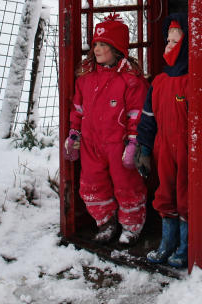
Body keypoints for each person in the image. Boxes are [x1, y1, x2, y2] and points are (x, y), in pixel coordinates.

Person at [63, 14, 148, 245]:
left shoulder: (130, 80)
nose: (97, 49)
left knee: (126, 184)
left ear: (117, 48)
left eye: (103, 44)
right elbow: (78, 109)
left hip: (118, 145)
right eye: (95, 45)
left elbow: (137, 115)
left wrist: (133, 142)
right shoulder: (85, 79)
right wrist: (74, 133)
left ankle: (131, 226)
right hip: (92, 143)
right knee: (91, 184)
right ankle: (105, 221)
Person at [134, 13, 189, 267]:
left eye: (175, 42)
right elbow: (147, 119)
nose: (168, 46)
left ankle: (185, 247)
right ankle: (167, 244)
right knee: (165, 194)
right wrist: (144, 148)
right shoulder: (159, 82)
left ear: (187, 45)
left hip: (189, 150)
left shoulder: (192, 82)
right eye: (167, 40)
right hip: (163, 148)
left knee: (186, 197)